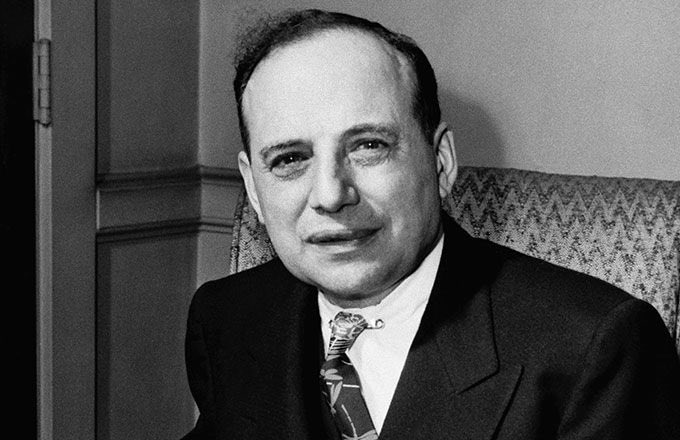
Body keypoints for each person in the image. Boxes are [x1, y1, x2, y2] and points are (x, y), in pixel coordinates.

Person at [181, 9, 680, 440]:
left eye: (369, 146)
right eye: (290, 158)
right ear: (254, 189)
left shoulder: (596, 349)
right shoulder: (226, 320)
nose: (331, 195)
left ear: (440, 163)